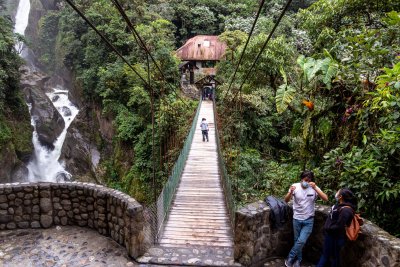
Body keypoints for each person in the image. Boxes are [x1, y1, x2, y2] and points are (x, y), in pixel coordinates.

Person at [284, 170, 328, 267]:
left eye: (309, 180)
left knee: (301, 241)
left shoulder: (313, 188)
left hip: (309, 219)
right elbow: (286, 200)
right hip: (296, 218)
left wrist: (316, 187)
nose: (307, 182)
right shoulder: (295, 186)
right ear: (301, 179)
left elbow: (325, 198)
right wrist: (290, 192)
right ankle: (298, 260)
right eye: (305, 180)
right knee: (297, 241)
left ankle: (290, 256)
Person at [316, 188, 357, 267]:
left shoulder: (346, 210)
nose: (336, 193)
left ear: (341, 196)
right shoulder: (339, 205)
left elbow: (339, 226)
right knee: (333, 256)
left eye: (337, 192)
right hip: (332, 235)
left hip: (335, 236)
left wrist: (328, 228)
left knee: (328, 256)